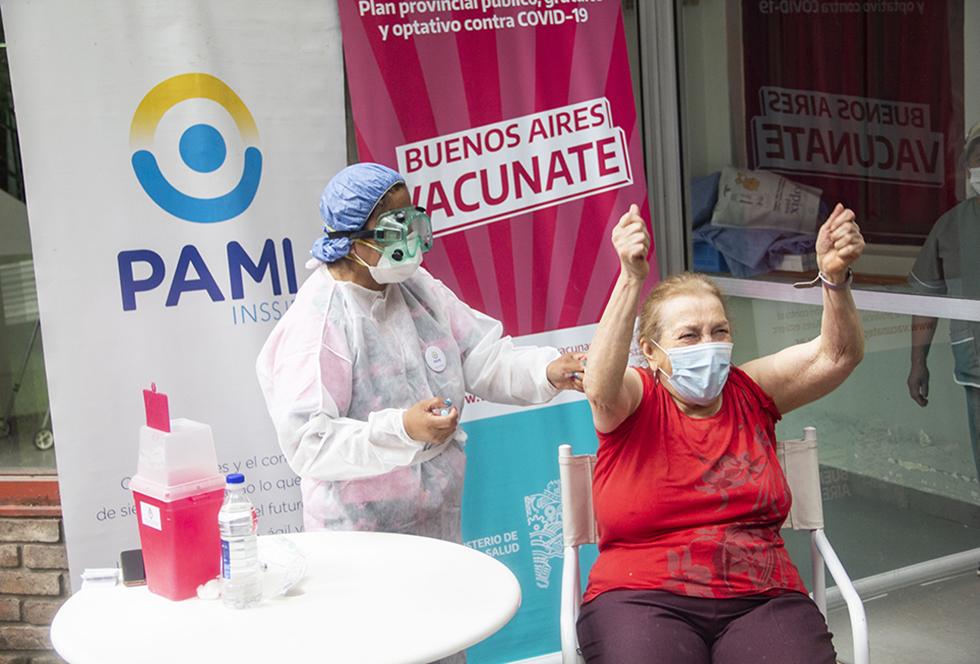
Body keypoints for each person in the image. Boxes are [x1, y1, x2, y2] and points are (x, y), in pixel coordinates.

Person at [576, 202, 865, 663]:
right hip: (641, 594)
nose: (709, 346)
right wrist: (631, 278)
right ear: (651, 352)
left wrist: (833, 279)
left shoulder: (750, 391)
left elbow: (837, 356)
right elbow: (599, 389)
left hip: (761, 594)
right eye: (689, 336)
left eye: (719, 331)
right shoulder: (636, 396)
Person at [256, 162, 584, 543]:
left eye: (412, 223)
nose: (409, 240)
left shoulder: (415, 287)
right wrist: (402, 429)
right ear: (353, 240)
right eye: (395, 229)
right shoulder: (319, 321)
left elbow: (480, 356)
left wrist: (545, 370)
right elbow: (309, 443)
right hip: (358, 535)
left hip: (436, 516)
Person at [907, 120, 980, 485]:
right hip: (977, 370)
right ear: (969, 166)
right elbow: (926, 295)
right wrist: (917, 362)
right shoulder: (951, 226)